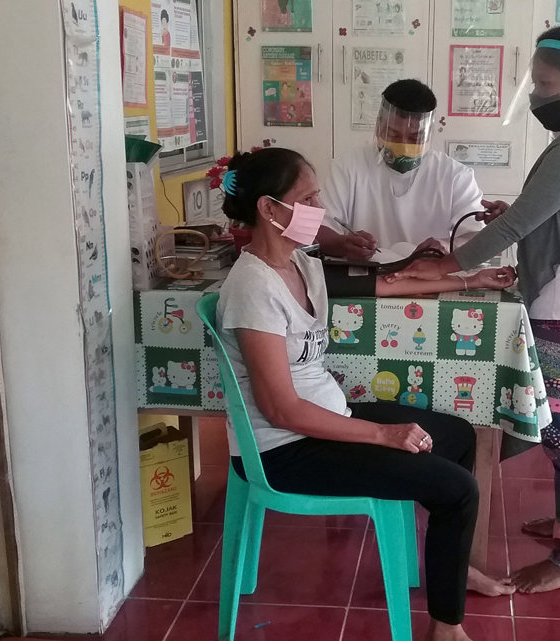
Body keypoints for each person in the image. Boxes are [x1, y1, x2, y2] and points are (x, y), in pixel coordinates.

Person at [217, 147, 514, 641]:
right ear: (270, 209)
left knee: (459, 435)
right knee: (457, 490)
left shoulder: (303, 264)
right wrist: (380, 434)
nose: (319, 208)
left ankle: (450, 569)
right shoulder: (253, 288)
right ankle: (447, 625)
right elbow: (280, 408)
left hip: (324, 420)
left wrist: (471, 278)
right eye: (308, 198)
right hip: (284, 449)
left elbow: (385, 284)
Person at [386, 24, 560, 593]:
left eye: (546, 84)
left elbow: (523, 225)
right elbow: (544, 212)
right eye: (535, 83)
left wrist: (449, 266)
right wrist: (507, 212)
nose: (538, 95)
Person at [317, 79, 484, 261]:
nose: (403, 146)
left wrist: (443, 246)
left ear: (429, 133)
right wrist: (343, 244)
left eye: (415, 138)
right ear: (379, 125)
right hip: (367, 277)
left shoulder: (455, 176)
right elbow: (319, 226)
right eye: (393, 135)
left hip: (429, 276)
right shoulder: (348, 166)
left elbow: (478, 238)